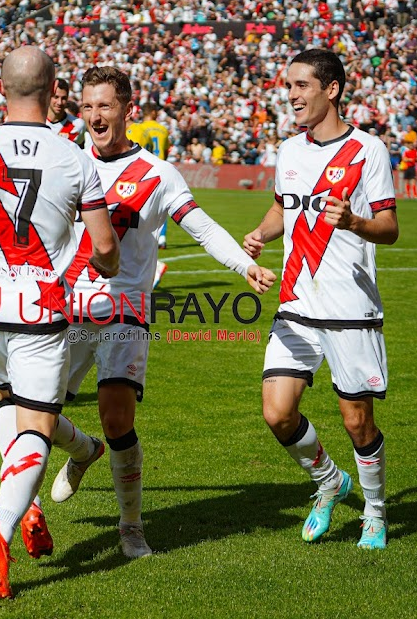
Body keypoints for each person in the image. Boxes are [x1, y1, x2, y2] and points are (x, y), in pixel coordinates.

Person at [43, 65, 276, 559]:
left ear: (129, 108)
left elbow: (204, 228)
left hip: (126, 305)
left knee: (116, 419)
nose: (94, 116)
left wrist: (243, 267)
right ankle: (83, 452)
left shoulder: (157, 173)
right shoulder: (66, 161)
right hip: (67, 302)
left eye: (105, 105)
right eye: (87, 107)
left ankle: (131, 527)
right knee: (40, 415)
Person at [0, 46, 120, 599]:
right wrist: (101, 265)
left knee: (11, 406)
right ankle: (2, 528)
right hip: (40, 304)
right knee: (35, 423)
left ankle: (42, 491)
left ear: (0, 86)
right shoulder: (74, 157)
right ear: (54, 87)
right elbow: (103, 246)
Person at [242, 49, 399, 551]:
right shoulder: (289, 151)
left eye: (302, 85)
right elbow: (281, 208)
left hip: (350, 309)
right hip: (296, 305)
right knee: (277, 412)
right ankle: (328, 481)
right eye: (289, 85)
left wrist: (354, 222)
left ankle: (374, 513)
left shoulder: (368, 151)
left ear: (331, 90)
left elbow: (389, 228)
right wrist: (262, 234)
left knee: (357, 421)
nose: (291, 95)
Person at [127, 104, 172, 248]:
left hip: (143, 171)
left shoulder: (139, 128)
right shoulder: (163, 130)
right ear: (153, 112)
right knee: (161, 205)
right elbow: (166, 150)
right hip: (160, 170)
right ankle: (162, 237)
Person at [47, 78, 86, 148]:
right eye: (56, 97)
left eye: (63, 98)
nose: (59, 102)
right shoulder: (38, 122)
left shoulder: (78, 124)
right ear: (48, 96)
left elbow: (81, 151)